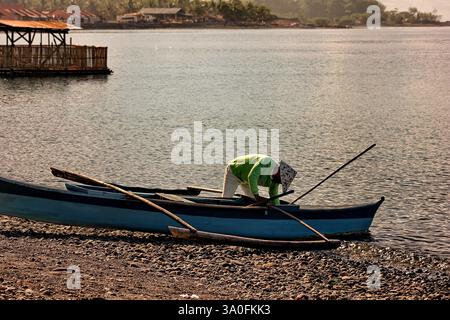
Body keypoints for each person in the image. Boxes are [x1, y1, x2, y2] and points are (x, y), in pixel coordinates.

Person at [222, 154, 297, 205]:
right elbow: (252, 176)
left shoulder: (275, 181)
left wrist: (277, 207)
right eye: (281, 181)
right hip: (234, 171)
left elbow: (273, 194)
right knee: (226, 200)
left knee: (252, 201)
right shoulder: (266, 162)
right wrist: (257, 197)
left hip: (247, 180)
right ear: (279, 173)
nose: (280, 183)